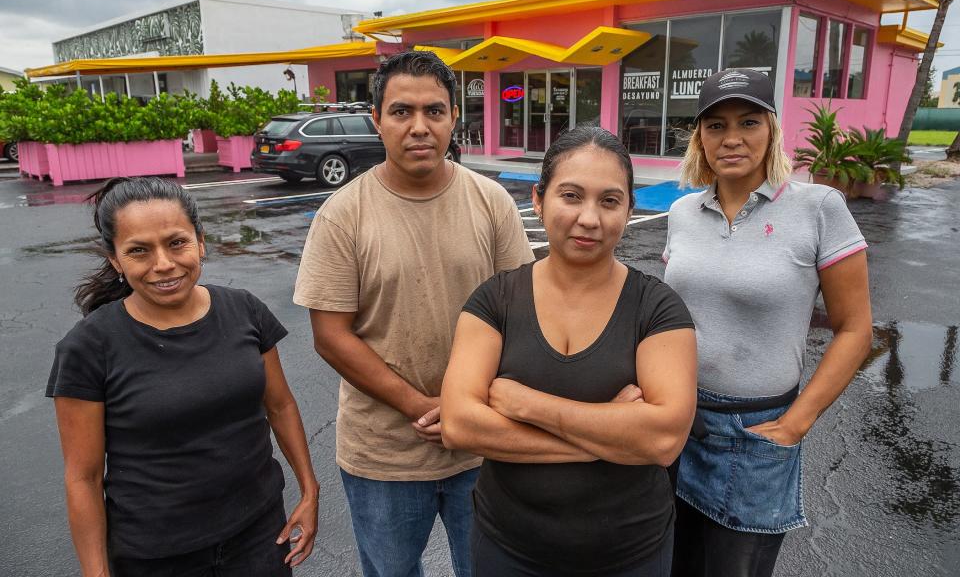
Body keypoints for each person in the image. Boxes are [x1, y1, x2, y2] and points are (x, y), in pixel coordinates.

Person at [293, 50, 533, 577]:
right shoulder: (342, 216)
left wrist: (465, 407)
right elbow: (331, 336)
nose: (419, 127)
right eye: (402, 112)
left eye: (434, 111)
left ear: (453, 119)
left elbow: (522, 312)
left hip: (483, 446)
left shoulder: (491, 203)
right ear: (376, 120)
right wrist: (425, 408)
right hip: (383, 457)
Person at [441, 126, 698, 576]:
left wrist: (528, 404)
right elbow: (460, 426)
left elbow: (662, 440)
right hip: (508, 551)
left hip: (630, 555)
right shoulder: (494, 300)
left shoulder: (657, 308)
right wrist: (610, 438)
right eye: (571, 196)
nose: (589, 218)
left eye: (610, 200)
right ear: (539, 200)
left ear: (629, 209)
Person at [47, 177, 319, 577]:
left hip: (261, 537)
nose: (163, 264)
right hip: (156, 557)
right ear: (115, 260)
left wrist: (310, 490)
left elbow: (280, 406)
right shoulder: (88, 348)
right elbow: (83, 478)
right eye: (138, 251)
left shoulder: (245, 311)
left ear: (200, 241)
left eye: (177, 242)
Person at [663, 69, 873, 577]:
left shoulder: (818, 207)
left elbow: (855, 328)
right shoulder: (682, 212)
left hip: (757, 433)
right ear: (700, 137)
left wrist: (798, 421)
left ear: (772, 130)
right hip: (677, 424)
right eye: (715, 125)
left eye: (748, 122)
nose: (731, 138)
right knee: (672, 565)